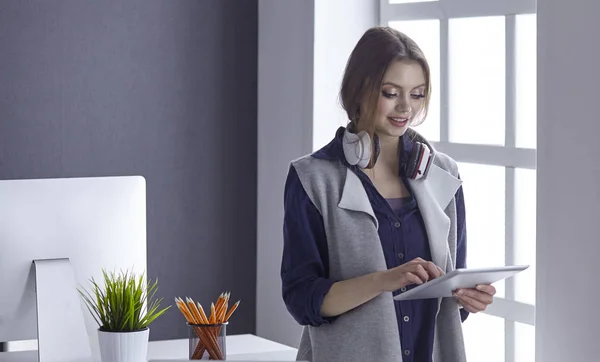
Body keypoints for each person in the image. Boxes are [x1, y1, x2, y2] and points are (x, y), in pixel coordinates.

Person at [280, 27, 496, 362]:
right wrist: (383, 281)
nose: (405, 108)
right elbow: (302, 299)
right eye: (391, 93)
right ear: (359, 90)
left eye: (417, 94)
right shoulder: (313, 179)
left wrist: (467, 299)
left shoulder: (445, 175)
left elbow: (450, 294)